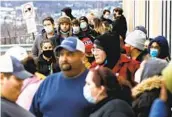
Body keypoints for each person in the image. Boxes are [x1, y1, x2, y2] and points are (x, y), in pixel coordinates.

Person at [30, 37, 93, 117]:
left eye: (70, 54)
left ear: (82, 56)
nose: (64, 59)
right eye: (61, 54)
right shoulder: (48, 82)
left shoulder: (94, 81)